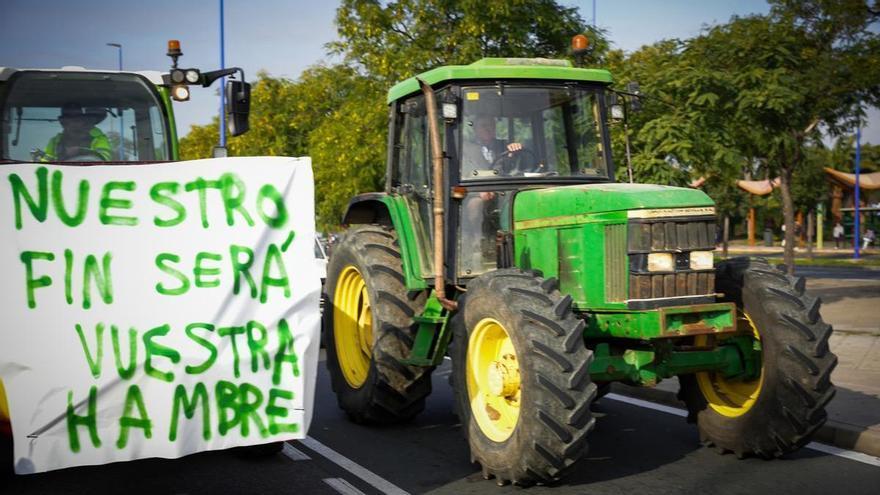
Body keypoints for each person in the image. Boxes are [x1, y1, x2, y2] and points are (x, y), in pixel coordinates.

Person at [43, 103, 112, 162]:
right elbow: (45, 163)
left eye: (76, 120)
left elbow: (104, 160)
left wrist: (81, 151)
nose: (73, 124)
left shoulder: (99, 139)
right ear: (62, 123)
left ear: (83, 121)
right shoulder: (54, 142)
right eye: (67, 121)